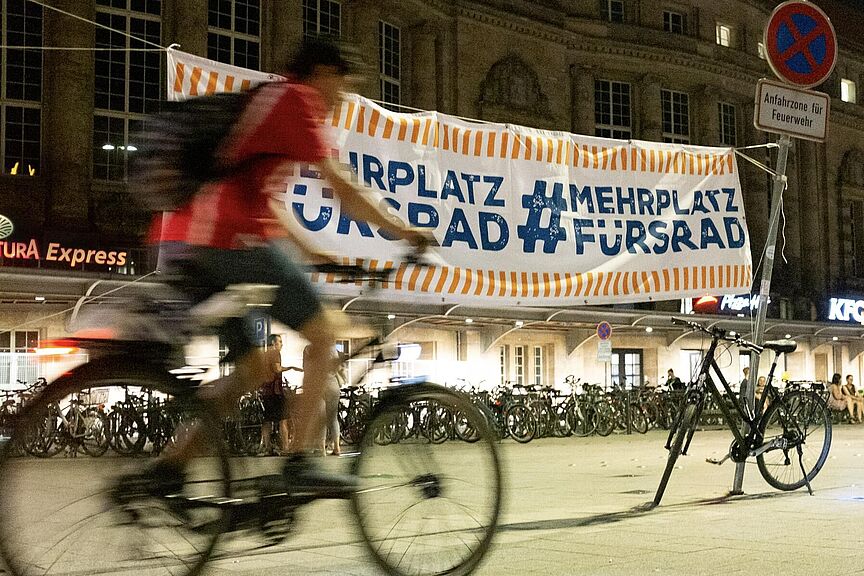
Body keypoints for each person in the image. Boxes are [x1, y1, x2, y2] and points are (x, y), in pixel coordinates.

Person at [133, 36, 434, 495]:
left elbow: (261, 205)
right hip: (226, 238)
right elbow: (344, 189)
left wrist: (316, 255)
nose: (341, 100)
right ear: (322, 74)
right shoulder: (297, 100)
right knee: (323, 335)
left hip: (192, 240)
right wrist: (406, 231)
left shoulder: (269, 104)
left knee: (253, 370)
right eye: (343, 87)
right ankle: (299, 462)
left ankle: (166, 471)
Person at [259, 334, 302, 455]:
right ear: (273, 343)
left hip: (266, 391)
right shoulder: (274, 353)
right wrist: (291, 368)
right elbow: (277, 369)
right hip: (275, 391)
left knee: (267, 420)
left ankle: (267, 447)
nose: (281, 344)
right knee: (283, 419)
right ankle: (286, 448)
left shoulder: (264, 354)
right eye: (280, 342)